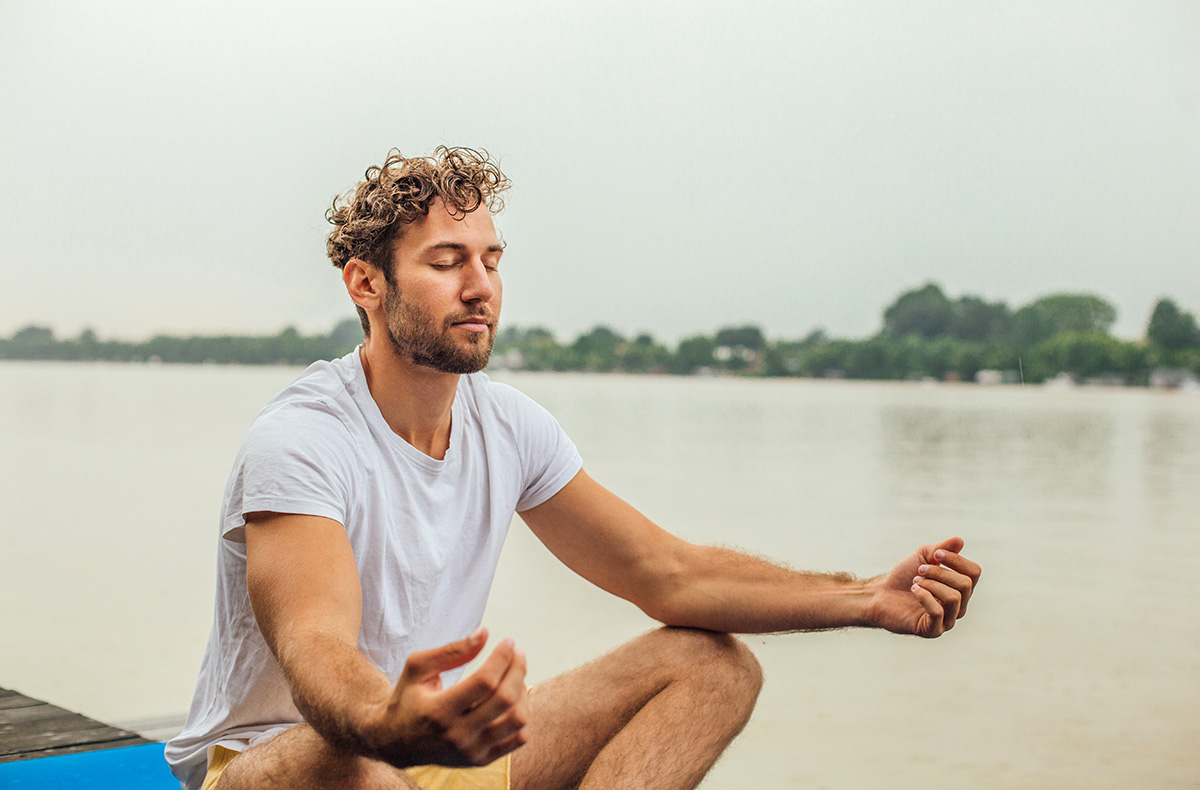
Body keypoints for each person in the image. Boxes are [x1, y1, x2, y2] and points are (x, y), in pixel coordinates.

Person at [165, 146, 982, 790]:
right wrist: (389, 719)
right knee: (357, 769)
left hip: (427, 759)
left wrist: (868, 596)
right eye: (448, 261)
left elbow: (669, 573)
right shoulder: (303, 439)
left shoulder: (509, 426)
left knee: (711, 665)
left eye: (491, 259)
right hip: (286, 767)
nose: (481, 286)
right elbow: (315, 644)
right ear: (366, 283)